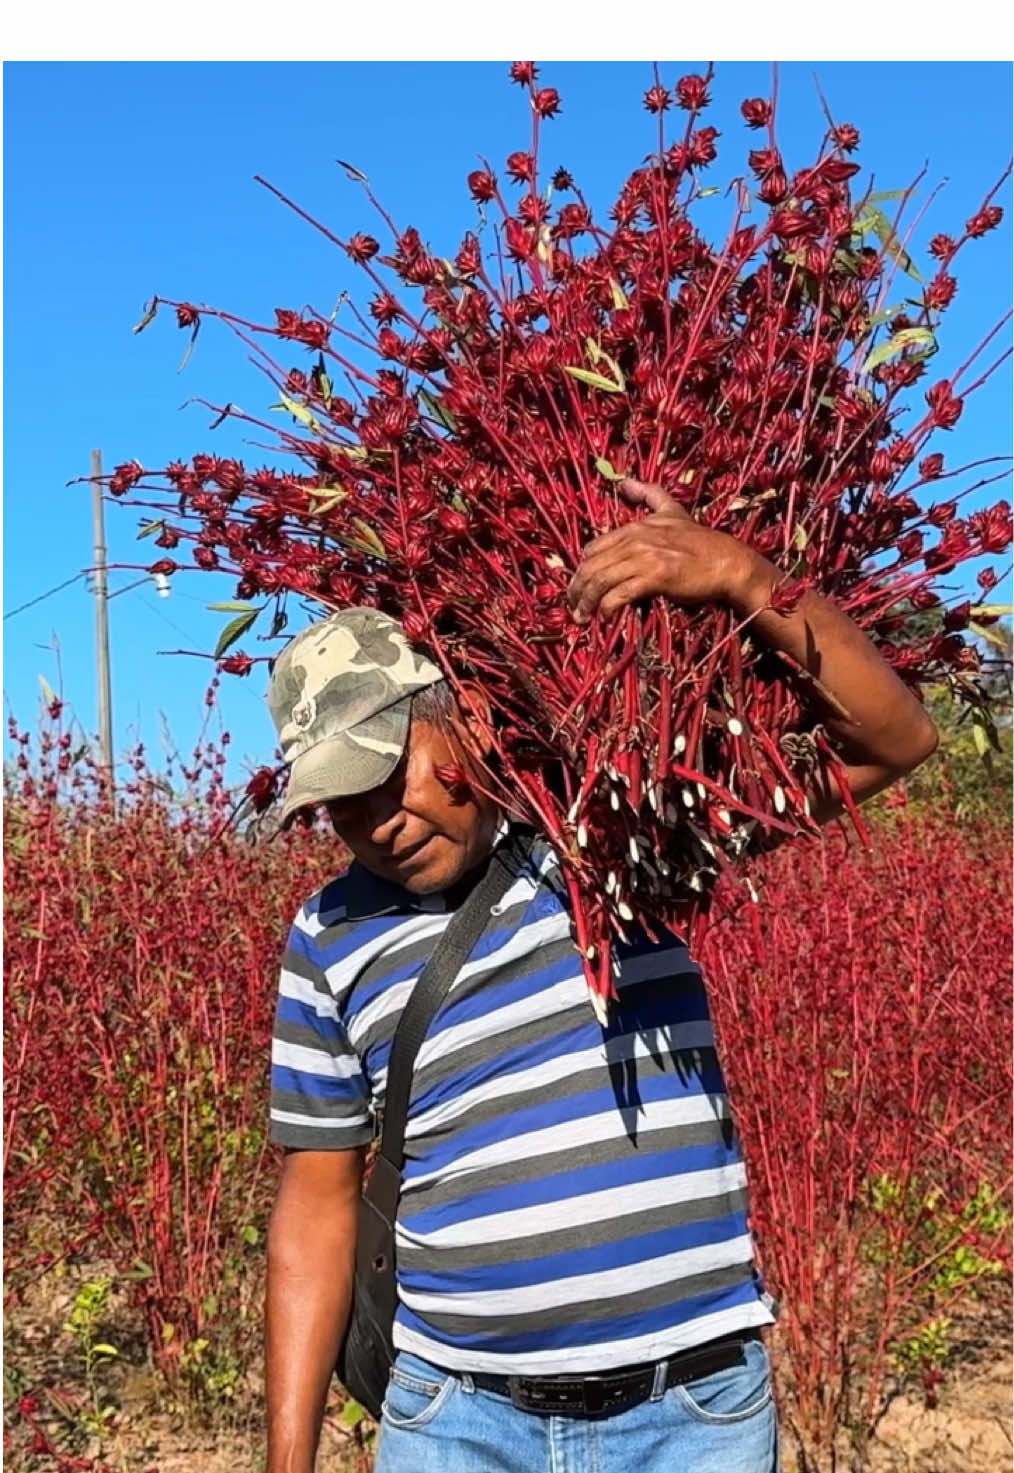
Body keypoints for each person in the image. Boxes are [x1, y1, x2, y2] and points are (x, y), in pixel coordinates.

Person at [264, 479, 937, 1473]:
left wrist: (737, 575)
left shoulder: (621, 829)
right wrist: (289, 1457)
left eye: (384, 775)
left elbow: (894, 739)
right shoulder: (328, 935)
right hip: (455, 1423)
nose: (376, 823)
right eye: (337, 804)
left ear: (468, 721)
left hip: (689, 1416)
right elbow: (316, 1206)